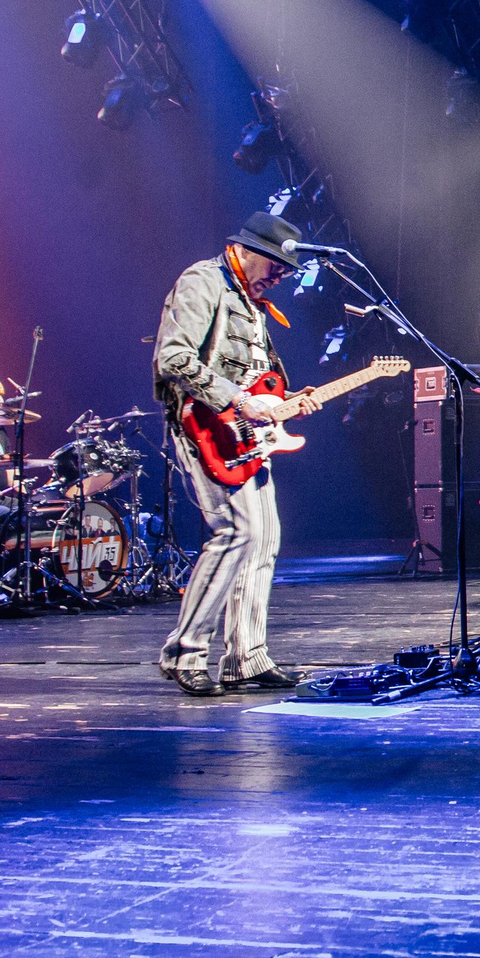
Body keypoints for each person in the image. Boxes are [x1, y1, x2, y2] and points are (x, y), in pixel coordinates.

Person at [152, 212, 319, 696]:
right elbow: (174, 358)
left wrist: (281, 405)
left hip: (243, 432)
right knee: (237, 532)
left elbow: (255, 375)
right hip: (204, 427)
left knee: (264, 540)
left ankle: (247, 657)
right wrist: (243, 402)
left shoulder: (250, 300)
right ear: (247, 251)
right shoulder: (204, 281)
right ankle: (184, 651)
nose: (282, 277)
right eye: (277, 267)